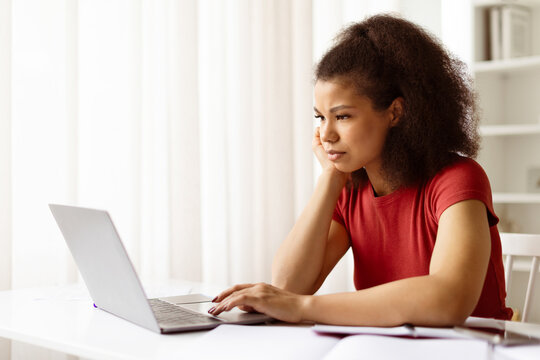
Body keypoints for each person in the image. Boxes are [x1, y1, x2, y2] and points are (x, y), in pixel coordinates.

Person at [208, 14, 513, 326]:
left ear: (395, 112)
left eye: (342, 117)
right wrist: (330, 177)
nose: (326, 135)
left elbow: (449, 299)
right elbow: (289, 284)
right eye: (320, 117)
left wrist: (302, 307)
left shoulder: (457, 178)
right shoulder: (351, 187)